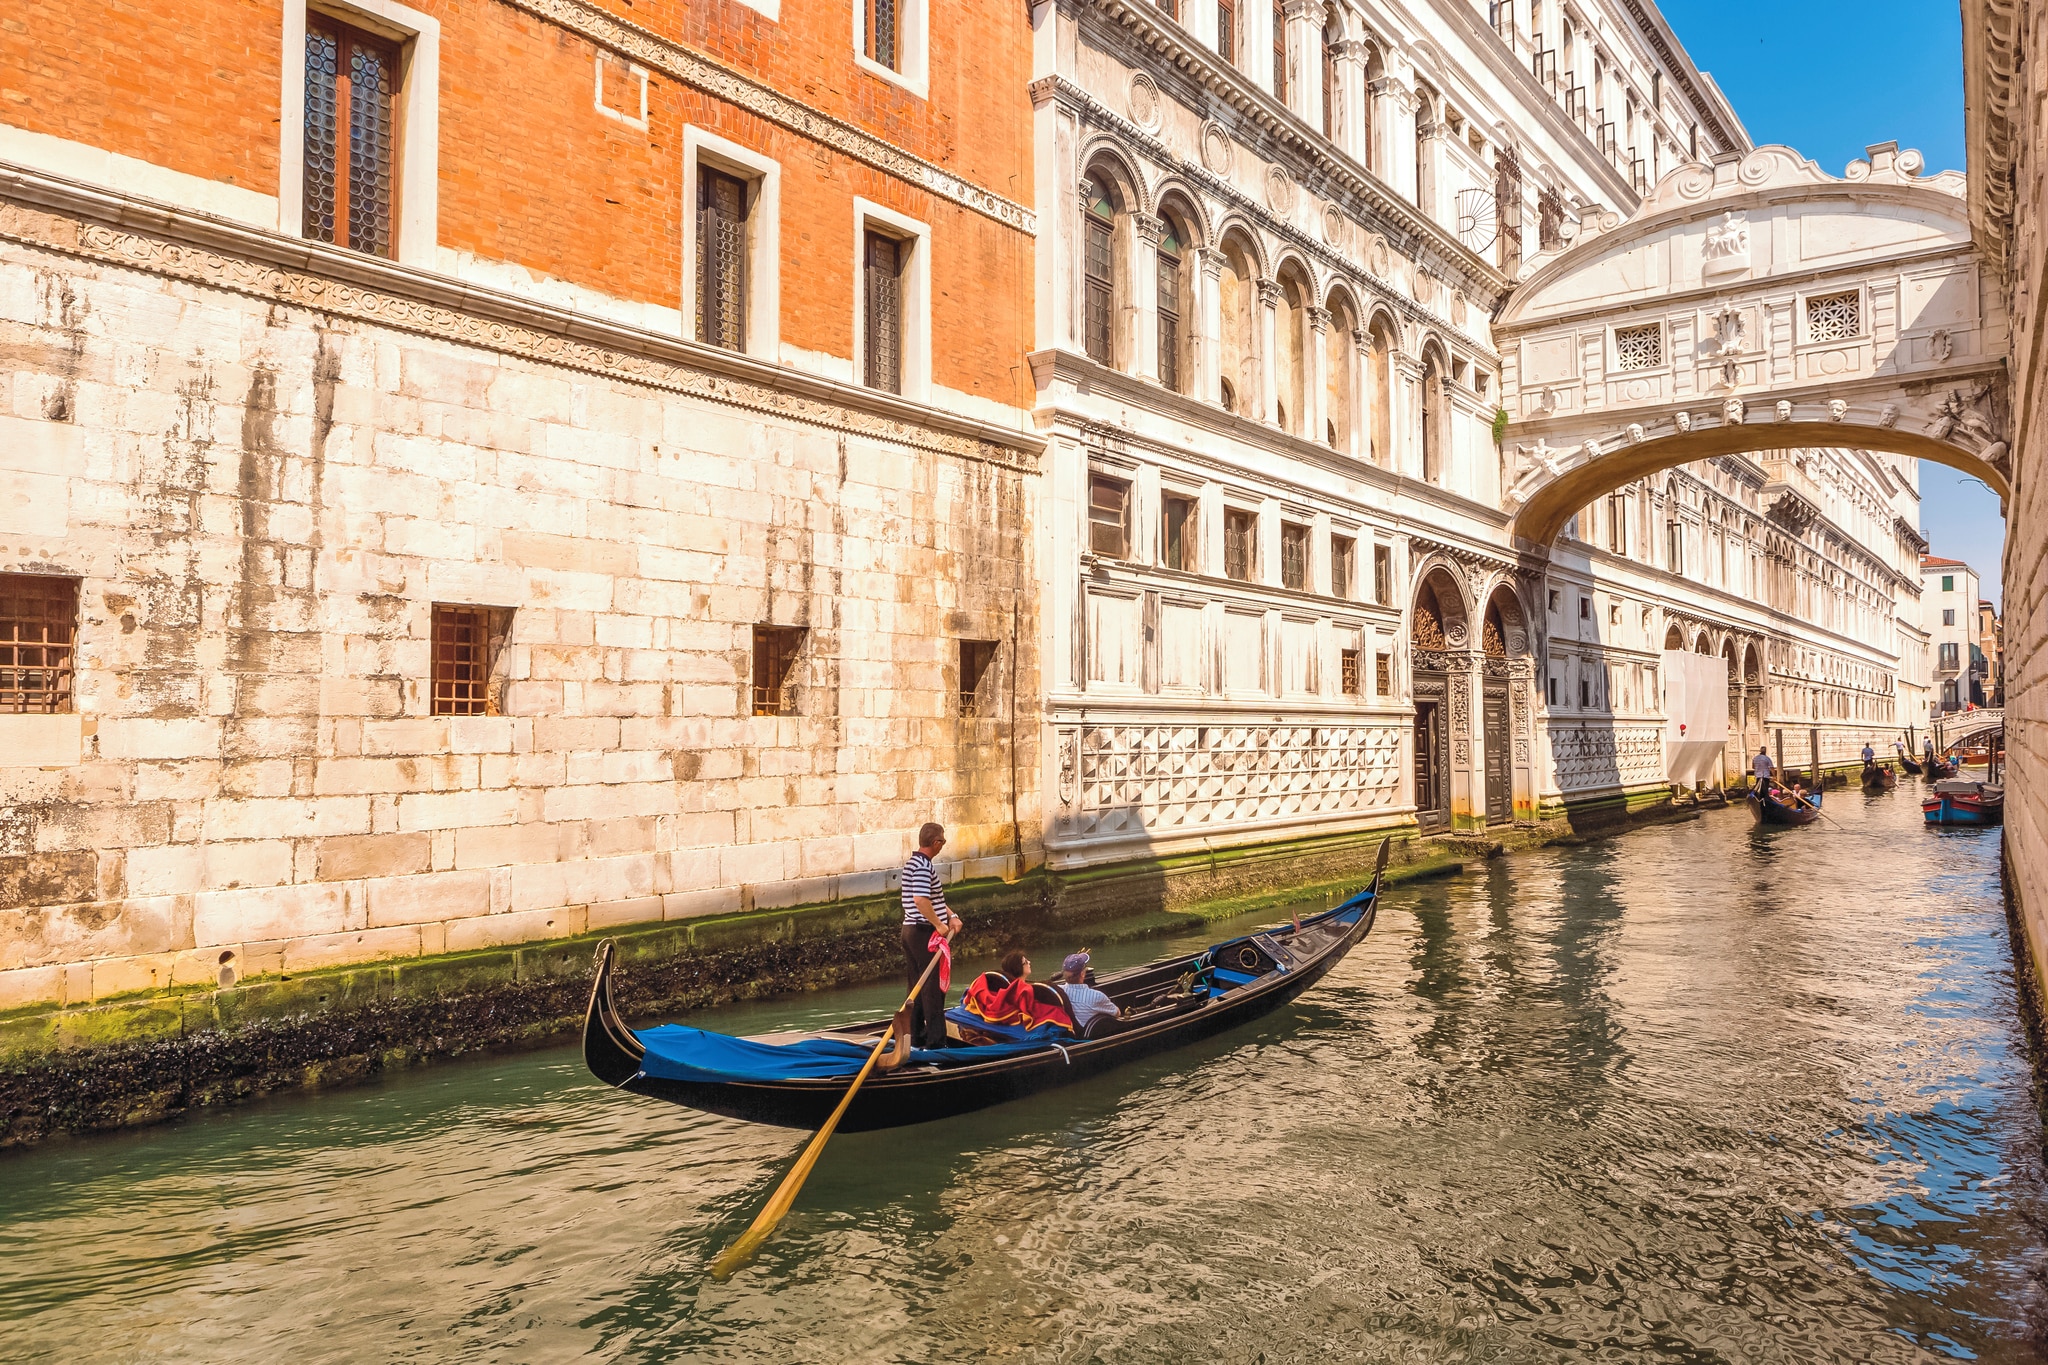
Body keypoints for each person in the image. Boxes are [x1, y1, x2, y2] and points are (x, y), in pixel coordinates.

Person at [900, 822, 963, 1049]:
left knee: (916, 984)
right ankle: (936, 1042)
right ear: (936, 843)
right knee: (931, 988)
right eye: (943, 842)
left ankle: (916, 1036)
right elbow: (921, 900)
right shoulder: (924, 867)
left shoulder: (913, 863)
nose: (942, 846)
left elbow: (933, 899)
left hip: (910, 931)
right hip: (923, 932)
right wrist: (939, 925)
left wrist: (952, 915)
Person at [1059, 951, 1119, 1036]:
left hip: (1069, 1036)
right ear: (1083, 974)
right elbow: (1117, 1013)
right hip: (1088, 1038)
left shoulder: (1057, 992)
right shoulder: (1096, 996)